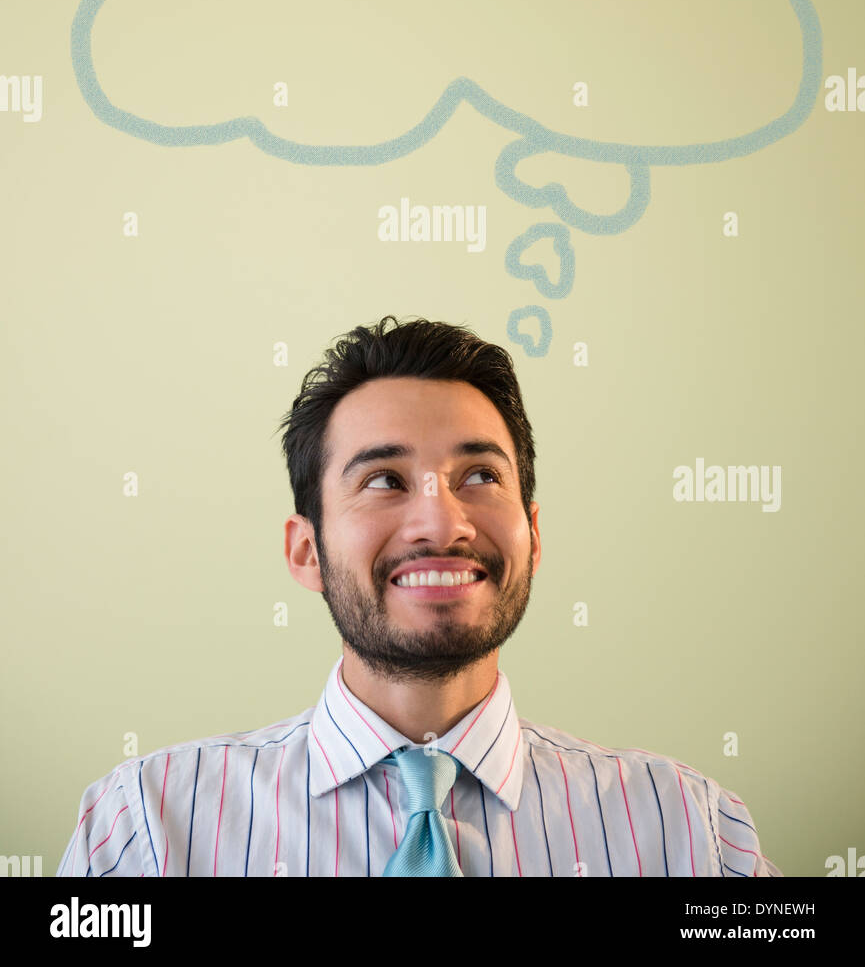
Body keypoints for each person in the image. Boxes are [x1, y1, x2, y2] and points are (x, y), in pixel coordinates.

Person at [57, 315, 781, 877]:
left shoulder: (691, 833)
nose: (441, 521)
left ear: (532, 534)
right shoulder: (148, 825)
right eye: (384, 481)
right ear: (305, 551)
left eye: (478, 476)